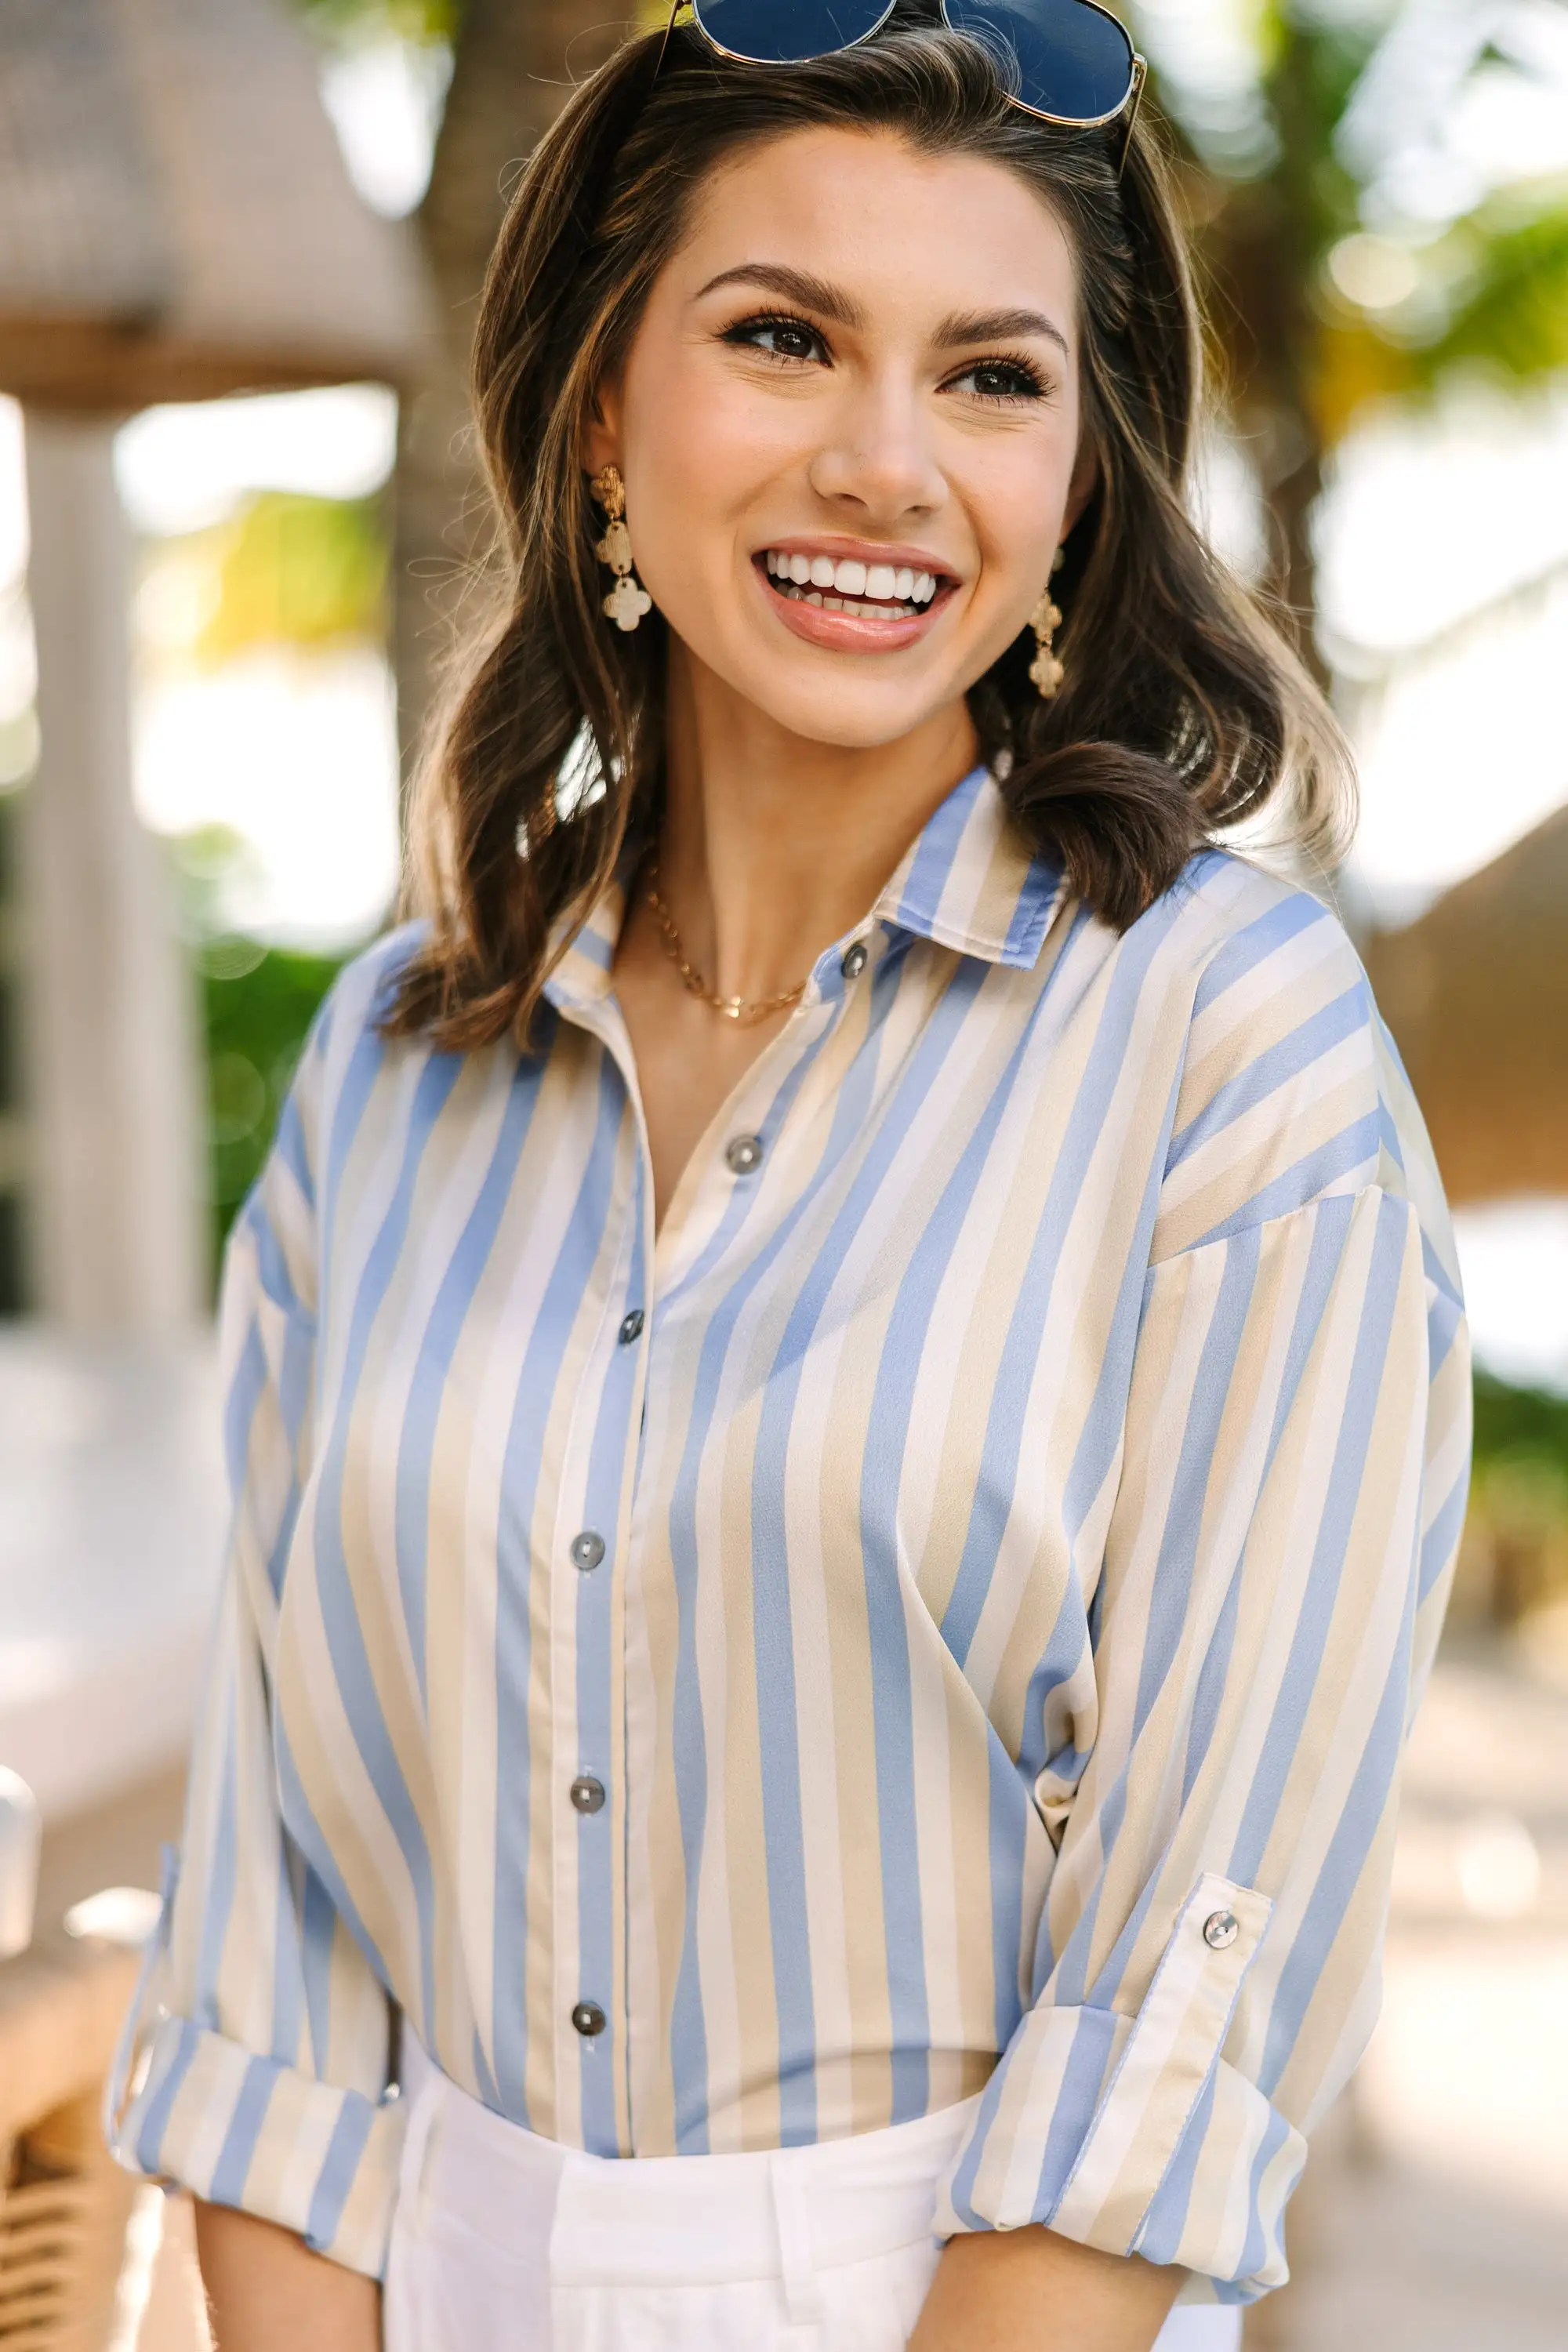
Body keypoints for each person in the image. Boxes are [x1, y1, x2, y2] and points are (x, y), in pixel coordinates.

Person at [109, 4, 1470, 2347]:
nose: (883, 461)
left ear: (1076, 480)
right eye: (780, 337)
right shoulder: (394, 1055)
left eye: (989, 376)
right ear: (603, 424)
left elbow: (1194, 1956)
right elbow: (280, 1928)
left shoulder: (1223, 1047)